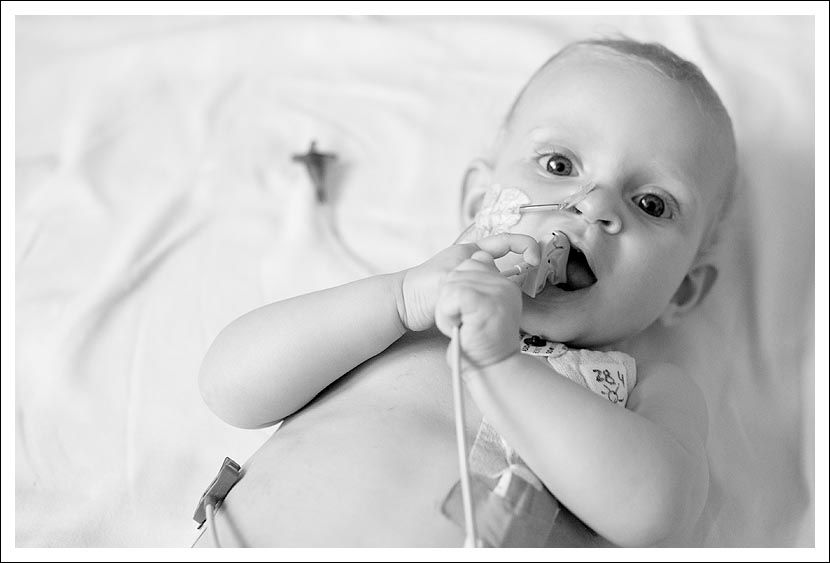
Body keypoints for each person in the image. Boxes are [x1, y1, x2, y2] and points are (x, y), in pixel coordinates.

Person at [194, 37, 737, 548]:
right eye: (558, 165)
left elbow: (655, 510)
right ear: (480, 201)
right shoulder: (398, 317)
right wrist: (400, 299)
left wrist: (499, 364)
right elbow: (228, 387)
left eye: (651, 204)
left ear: (683, 289)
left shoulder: (646, 389)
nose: (594, 205)